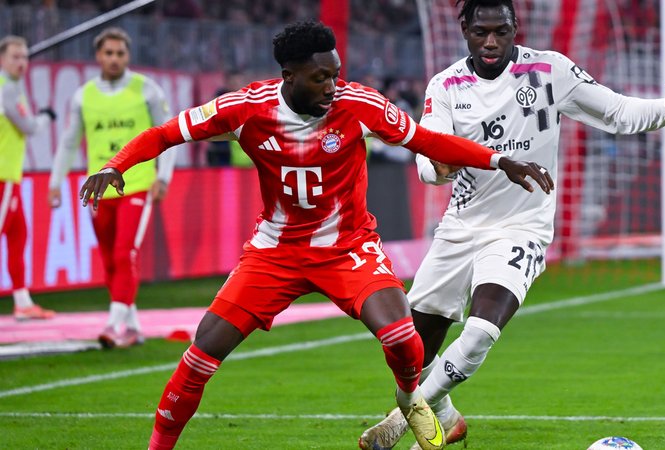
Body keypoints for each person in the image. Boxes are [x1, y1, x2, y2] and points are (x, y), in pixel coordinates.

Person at [78, 20, 550, 450]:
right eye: (320, 78)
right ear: (289, 75)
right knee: (201, 354)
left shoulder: (359, 105)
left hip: (348, 248)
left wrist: (497, 160)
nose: (332, 87)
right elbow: (164, 134)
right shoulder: (245, 108)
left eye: (336, 74)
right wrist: (113, 166)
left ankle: (411, 402)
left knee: (405, 339)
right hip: (275, 253)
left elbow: (427, 140)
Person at [358, 0, 665, 448]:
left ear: (515, 29)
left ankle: (400, 420)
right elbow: (429, 155)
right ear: (464, 30)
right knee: (410, 351)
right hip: (461, 226)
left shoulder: (550, 71)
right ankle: (444, 417)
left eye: (501, 31)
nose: (491, 42)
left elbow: (618, 113)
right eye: (480, 32)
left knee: (481, 329)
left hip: (522, 227)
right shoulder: (445, 85)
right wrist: (440, 168)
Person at [48, 27, 176, 348]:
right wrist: (55, 181)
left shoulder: (147, 90)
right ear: (98, 57)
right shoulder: (83, 96)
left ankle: (113, 323)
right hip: (98, 190)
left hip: (136, 185)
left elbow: (170, 136)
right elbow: (68, 143)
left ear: (127, 56)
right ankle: (131, 325)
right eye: (109, 53)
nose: (114, 59)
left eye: (120, 53)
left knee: (124, 252)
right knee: (108, 258)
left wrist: (163, 177)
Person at [0, 35, 57, 321]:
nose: (21, 62)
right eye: (15, 56)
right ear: (2, 59)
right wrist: (46, 116)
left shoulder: (9, 87)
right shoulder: (7, 89)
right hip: (3, 177)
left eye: (24, 57)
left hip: (10, 177)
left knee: (18, 235)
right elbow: (29, 126)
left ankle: (22, 301)